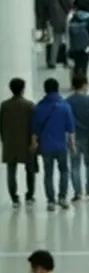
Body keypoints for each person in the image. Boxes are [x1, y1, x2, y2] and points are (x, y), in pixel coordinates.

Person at [32, 78, 76, 211]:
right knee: (64, 171)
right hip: (61, 146)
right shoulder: (65, 106)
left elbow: (35, 130)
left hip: (46, 146)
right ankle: (62, 198)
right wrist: (72, 146)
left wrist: (33, 145)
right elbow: (71, 130)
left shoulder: (39, 107)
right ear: (57, 89)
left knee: (48, 173)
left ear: (45, 89)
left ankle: (51, 201)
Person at [65, 74, 89, 202]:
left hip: (72, 137)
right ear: (85, 85)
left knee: (74, 165)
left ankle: (77, 193)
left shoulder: (67, 101)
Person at [0, 77, 36, 208]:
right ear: (22, 89)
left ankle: (14, 198)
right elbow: (33, 126)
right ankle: (30, 196)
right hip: (25, 142)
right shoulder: (29, 105)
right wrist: (34, 142)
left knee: (11, 171)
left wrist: (4, 139)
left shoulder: (4, 105)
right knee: (30, 169)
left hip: (10, 142)